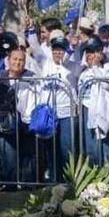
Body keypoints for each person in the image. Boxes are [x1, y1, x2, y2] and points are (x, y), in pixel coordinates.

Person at [39, 34, 80, 182]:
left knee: (67, 149)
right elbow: (36, 49)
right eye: (55, 49)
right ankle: (54, 179)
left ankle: (68, 180)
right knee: (51, 149)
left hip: (67, 114)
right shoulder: (45, 63)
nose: (58, 53)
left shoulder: (73, 67)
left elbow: (76, 59)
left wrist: (74, 47)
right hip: (50, 115)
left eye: (61, 50)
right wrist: (31, 29)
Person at [0, 47, 38, 183]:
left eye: (21, 60)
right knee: (8, 157)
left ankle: (28, 184)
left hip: (26, 123)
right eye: (15, 59)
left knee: (28, 156)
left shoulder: (32, 77)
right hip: (5, 123)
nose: (18, 63)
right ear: (8, 60)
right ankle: (10, 185)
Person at [77, 36, 109, 164]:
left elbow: (108, 84)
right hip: (86, 108)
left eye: (94, 52)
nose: (90, 55)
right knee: (90, 145)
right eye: (88, 52)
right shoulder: (84, 72)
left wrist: (95, 67)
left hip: (103, 109)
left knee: (104, 144)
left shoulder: (108, 67)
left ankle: (105, 173)